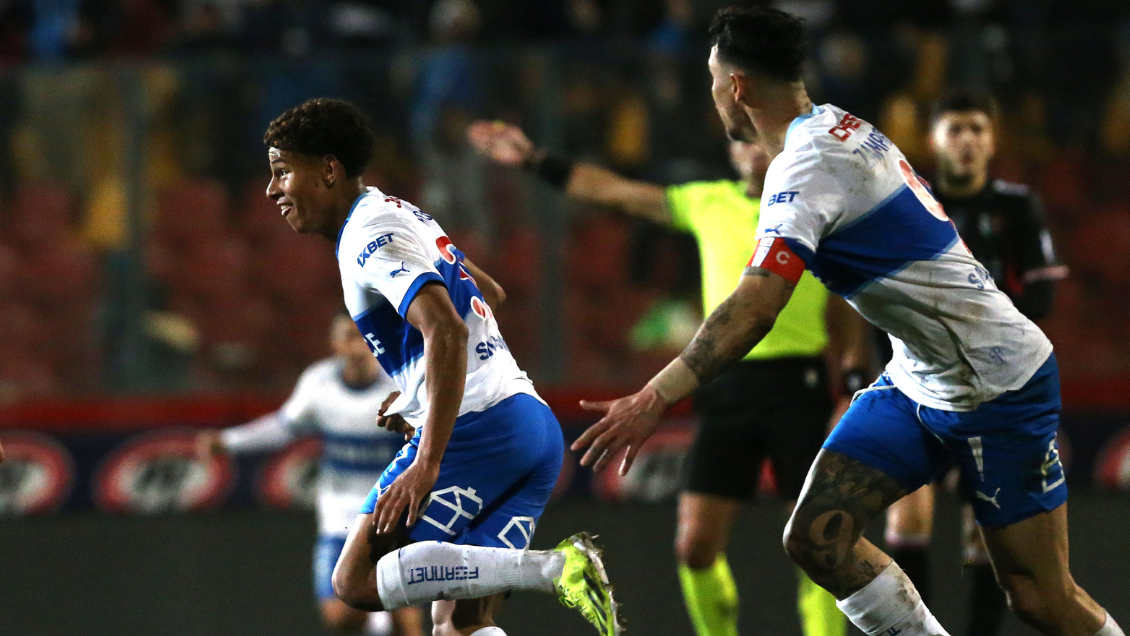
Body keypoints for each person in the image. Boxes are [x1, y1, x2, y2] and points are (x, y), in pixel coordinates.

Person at [571, 7, 1124, 636]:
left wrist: (653, 396)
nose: (712, 93)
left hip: (997, 385)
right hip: (919, 379)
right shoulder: (836, 126)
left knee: (1039, 599)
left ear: (737, 87)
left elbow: (755, 306)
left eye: (713, 79)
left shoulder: (807, 168)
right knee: (817, 538)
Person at [468, 120, 865, 636]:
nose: (755, 150)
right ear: (732, 153)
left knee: (817, 542)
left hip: (798, 385)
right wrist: (533, 159)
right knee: (695, 547)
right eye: (744, 140)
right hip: (724, 381)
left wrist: (853, 380)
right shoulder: (707, 201)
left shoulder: (814, 209)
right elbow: (616, 192)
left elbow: (850, 301)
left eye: (764, 140)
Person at [262, 97, 620, 636]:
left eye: (283, 171)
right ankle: (548, 570)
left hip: (477, 432)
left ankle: (553, 569)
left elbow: (448, 329)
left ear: (328, 170)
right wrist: (416, 390)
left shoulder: (368, 237)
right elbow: (489, 292)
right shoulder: (400, 212)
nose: (272, 190)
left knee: (355, 581)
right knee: (459, 622)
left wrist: (427, 461)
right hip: (528, 423)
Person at [882, 90, 1068, 636]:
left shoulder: (1017, 207)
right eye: (955, 128)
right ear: (933, 139)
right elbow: (882, 299)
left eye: (977, 129)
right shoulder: (911, 205)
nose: (966, 140)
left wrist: (968, 327)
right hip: (919, 382)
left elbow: (1041, 297)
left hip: (993, 387)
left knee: (981, 528)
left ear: (993, 140)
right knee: (906, 514)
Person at [197, 315, 426, 636]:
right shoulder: (319, 383)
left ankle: (386, 615)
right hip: (339, 514)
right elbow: (284, 427)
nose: (357, 346)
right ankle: (378, 619)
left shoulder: (401, 383)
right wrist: (229, 442)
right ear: (334, 344)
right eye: (348, 337)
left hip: (391, 510)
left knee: (406, 615)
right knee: (340, 617)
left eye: (363, 337)